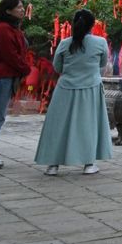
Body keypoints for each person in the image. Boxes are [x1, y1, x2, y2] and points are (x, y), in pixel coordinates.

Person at [34, 9, 113, 175]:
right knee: (88, 124)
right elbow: (103, 64)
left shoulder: (64, 43)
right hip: (90, 88)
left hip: (65, 89)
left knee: (58, 125)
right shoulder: (100, 42)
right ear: (92, 25)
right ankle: (89, 164)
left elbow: (57, 67)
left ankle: (53, 165)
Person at [0, 0, 31, 170]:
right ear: (8, 10)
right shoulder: (3, 29)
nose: (22, 9)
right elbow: (9, 55)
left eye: (22, 6)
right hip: (1, 76)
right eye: (18, 7)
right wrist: (26, 69)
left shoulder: (13, 28)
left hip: (7, 76)